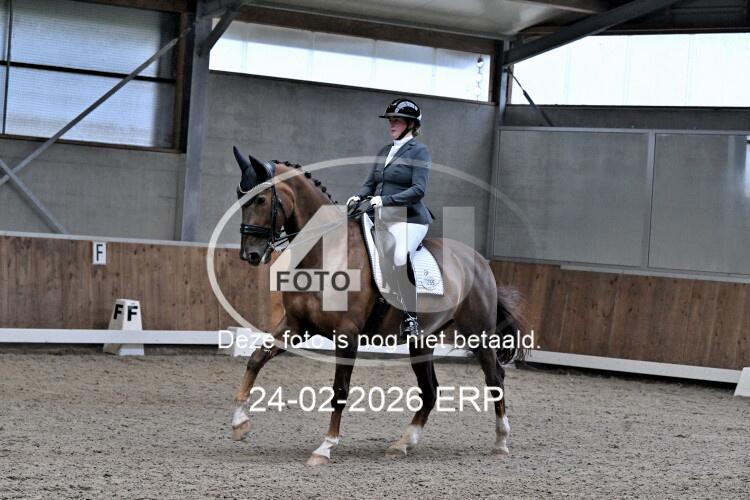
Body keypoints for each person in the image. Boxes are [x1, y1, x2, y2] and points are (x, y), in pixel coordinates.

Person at [347, 98, 434, 337]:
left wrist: (385, 200)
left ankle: (410, 318)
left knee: (399, 255)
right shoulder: (385, 151)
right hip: (381, 216)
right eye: (391, 121)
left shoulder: (420, 151)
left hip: (410, 219)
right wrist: (358, 196)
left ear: (411, 125)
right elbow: (371, 183)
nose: (392, 125)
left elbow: (419, 190)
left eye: (397, 121)